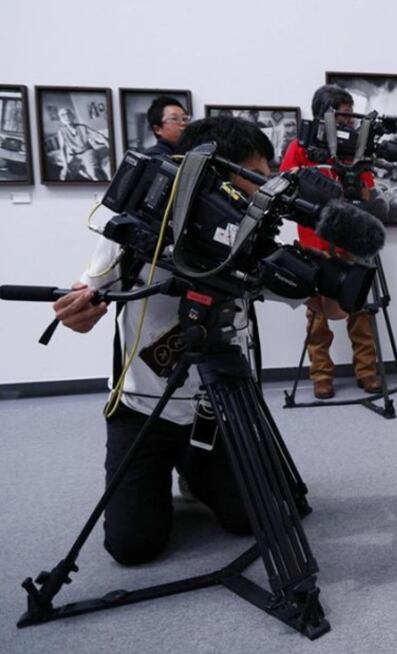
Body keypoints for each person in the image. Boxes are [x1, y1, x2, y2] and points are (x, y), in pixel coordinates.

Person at [52, 116, 282, 565]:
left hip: (215, 407)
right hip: (141, 408)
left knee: (250, 520)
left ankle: (195, 474)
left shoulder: (252, 235)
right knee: (133, 547)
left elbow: (317, 300)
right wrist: (76, 312)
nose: (264, 188)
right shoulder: (137, 226)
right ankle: (174, 472)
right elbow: (82, 313)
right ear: (213, 177)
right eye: (255, 175)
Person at [280, 84, 382, 399]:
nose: (349, 121)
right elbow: (286, 188)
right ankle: (321, 377)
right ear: (324, 116)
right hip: (313, 243)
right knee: (318, 317)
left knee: (360, 310)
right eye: (343, 115)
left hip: (351, 240)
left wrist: (353, 184)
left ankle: (367, 372)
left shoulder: (357, 148)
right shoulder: (300, 147)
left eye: (351, 115)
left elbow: (367, 191)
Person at [56, 107, 110, 181]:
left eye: (68, 113)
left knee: (94, 174)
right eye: (62, 115)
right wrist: (65, 165)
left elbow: (101, 137)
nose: (66, 116)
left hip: (87, 152)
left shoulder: (82, 127)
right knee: (64, 176)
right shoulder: (61, 132)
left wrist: (111, 149)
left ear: (73, 116)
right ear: (61, 119)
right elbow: (62, 148)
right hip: (75, 156)